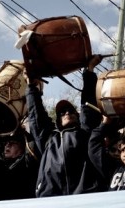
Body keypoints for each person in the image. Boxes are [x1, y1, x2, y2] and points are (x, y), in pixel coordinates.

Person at [26, 55, 105, 197]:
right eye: (62, 113)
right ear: (57, 121)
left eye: (71, 111)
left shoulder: (86, 132)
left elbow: (88, 106)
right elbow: (36, 116)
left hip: (84, 196)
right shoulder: (49, 138)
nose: (67, 113)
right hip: (49, 198)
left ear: (78, 116)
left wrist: (89, 71)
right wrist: (32, 87)